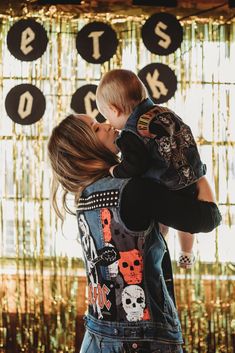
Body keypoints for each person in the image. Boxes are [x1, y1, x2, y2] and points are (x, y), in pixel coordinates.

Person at [47, 113, 221, 353]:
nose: (108, 125)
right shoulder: (135, 190)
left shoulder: (84, 197)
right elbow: (207, 219)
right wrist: (196, 176)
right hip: (141, 340)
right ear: (84, 148)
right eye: (97, 128)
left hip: (96, 335)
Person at [96, 69, 216, 269]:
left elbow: (135, 165)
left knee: (161, 224)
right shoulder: (164, 112)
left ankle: (160, 249)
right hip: (189, 173)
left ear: (115, 110)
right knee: (186, 219)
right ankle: (186, 253)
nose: (109, 123)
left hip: (165, 183)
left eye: (107, 117)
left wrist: (115, 171)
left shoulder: (129, 135)